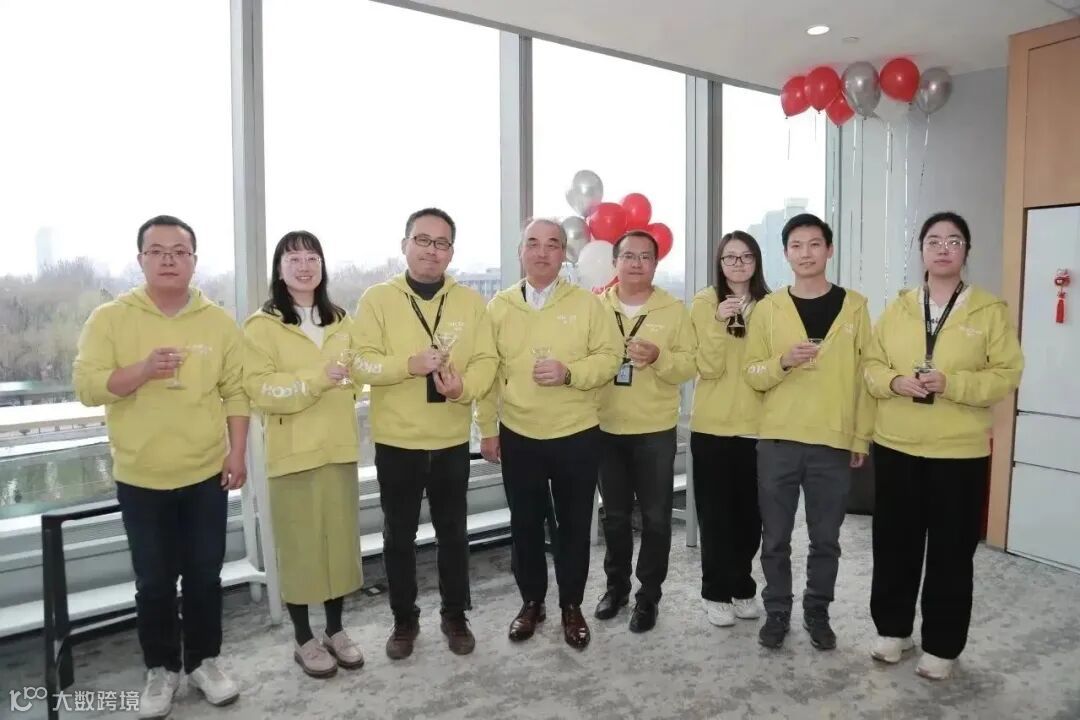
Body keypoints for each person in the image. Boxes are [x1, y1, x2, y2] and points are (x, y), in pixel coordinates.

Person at [73, 215, 249, 718]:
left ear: (194, 260)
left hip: (205, 473)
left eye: (179, 251)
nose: (169, 259)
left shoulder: (217, 321)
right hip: (141, 476)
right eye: (158, 251)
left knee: (204, 575)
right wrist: (144, 370)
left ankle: (204, 661)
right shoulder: (110, 318)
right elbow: (87, 387)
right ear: (141, 260)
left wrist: (237, 453)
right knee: (153, 581)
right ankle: (161, 668)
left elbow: (236, 390)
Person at [863, 212, 1023, 680]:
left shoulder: (989, 310)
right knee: (894, 544)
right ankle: (893, 630)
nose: (943, 248)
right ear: (921, 251)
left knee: (952, 551)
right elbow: (870, 364)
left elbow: (1006, 374)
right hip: (897, 444)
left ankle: (942, 645)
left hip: (959, 451)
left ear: (966, 251)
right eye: (933, 240)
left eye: (954, 241)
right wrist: (894, 381)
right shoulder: (898, 308)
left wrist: (953, 383)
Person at [352, 208, 497, 660]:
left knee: (453, 534)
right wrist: (407, 366)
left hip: (451, 439)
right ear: (405, 245)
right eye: (423, 240)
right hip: (398, 441)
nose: (432, 250)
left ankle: (455, 615)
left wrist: (462, 388)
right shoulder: (378, 299)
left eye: (441, 243)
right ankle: (404, 619)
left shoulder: (470, 302)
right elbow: (360, 362)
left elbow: (487, 360)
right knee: (398, 537)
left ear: (451, 252)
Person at [477, 218, 622, 650]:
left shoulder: (587, 305)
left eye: (553, 244)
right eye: (533, 244)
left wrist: (570, 372)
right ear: (520, 251)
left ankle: (571, 605)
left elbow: (610, 358)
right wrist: (487, 429)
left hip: (577, 434)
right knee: (524, 525)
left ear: (564, 254)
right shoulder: (499, 307)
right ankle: (532, 602)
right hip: (518, 433)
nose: (542, 252)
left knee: (573, 527)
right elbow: (488, 372)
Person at [744, 212, 874, 651]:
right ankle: (777, 610)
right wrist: (783, 361)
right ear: (785, 253)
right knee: (775, 537)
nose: (806, 253)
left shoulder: (855, 307)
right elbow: (752, 373)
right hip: (778, 439)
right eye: (796, 246)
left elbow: (865, 376)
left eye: (814, 244)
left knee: (826, 539)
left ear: (829, 250)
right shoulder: (769, 309)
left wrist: (860, 436)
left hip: (832, 440)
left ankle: (817, 610)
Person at [243, 231, 365, 679]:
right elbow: (259, 389)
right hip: (292, 451)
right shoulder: (262, 326)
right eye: (293, 258)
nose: (304, 266)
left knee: (338, 543)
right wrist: (317, 380)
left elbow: (357, 373)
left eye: (312, 257)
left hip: (338, 446)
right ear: (279, 270)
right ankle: (302, 637)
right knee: (299, 548)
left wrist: (350, 382)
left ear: (322, 266)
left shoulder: (342, 319)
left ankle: (335, 629)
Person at [594, 230, 696, 633]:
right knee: (615, 516)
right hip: (605, 426)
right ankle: (615, 588)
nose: (636, 263)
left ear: (656, 263)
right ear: (615, 262)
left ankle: (648, 596)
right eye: (628, 256)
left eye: (645, 257)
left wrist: (659, 356)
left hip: (655, 429)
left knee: (655, 518)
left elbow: (688, 366)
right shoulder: (595, 307)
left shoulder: (673, 310)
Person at [689, 230, 770, 628]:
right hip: (713, 426)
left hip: (758, 427)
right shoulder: (705, 302)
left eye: (746, 256)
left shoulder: (772, 305)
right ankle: (716, 592)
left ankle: (742, 585)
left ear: (757, 261)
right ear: (719, 264)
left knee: (751, 518)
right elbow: (707, 367)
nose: (738, 264)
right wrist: (719, 323)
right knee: (715, 516)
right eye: (730, 258)